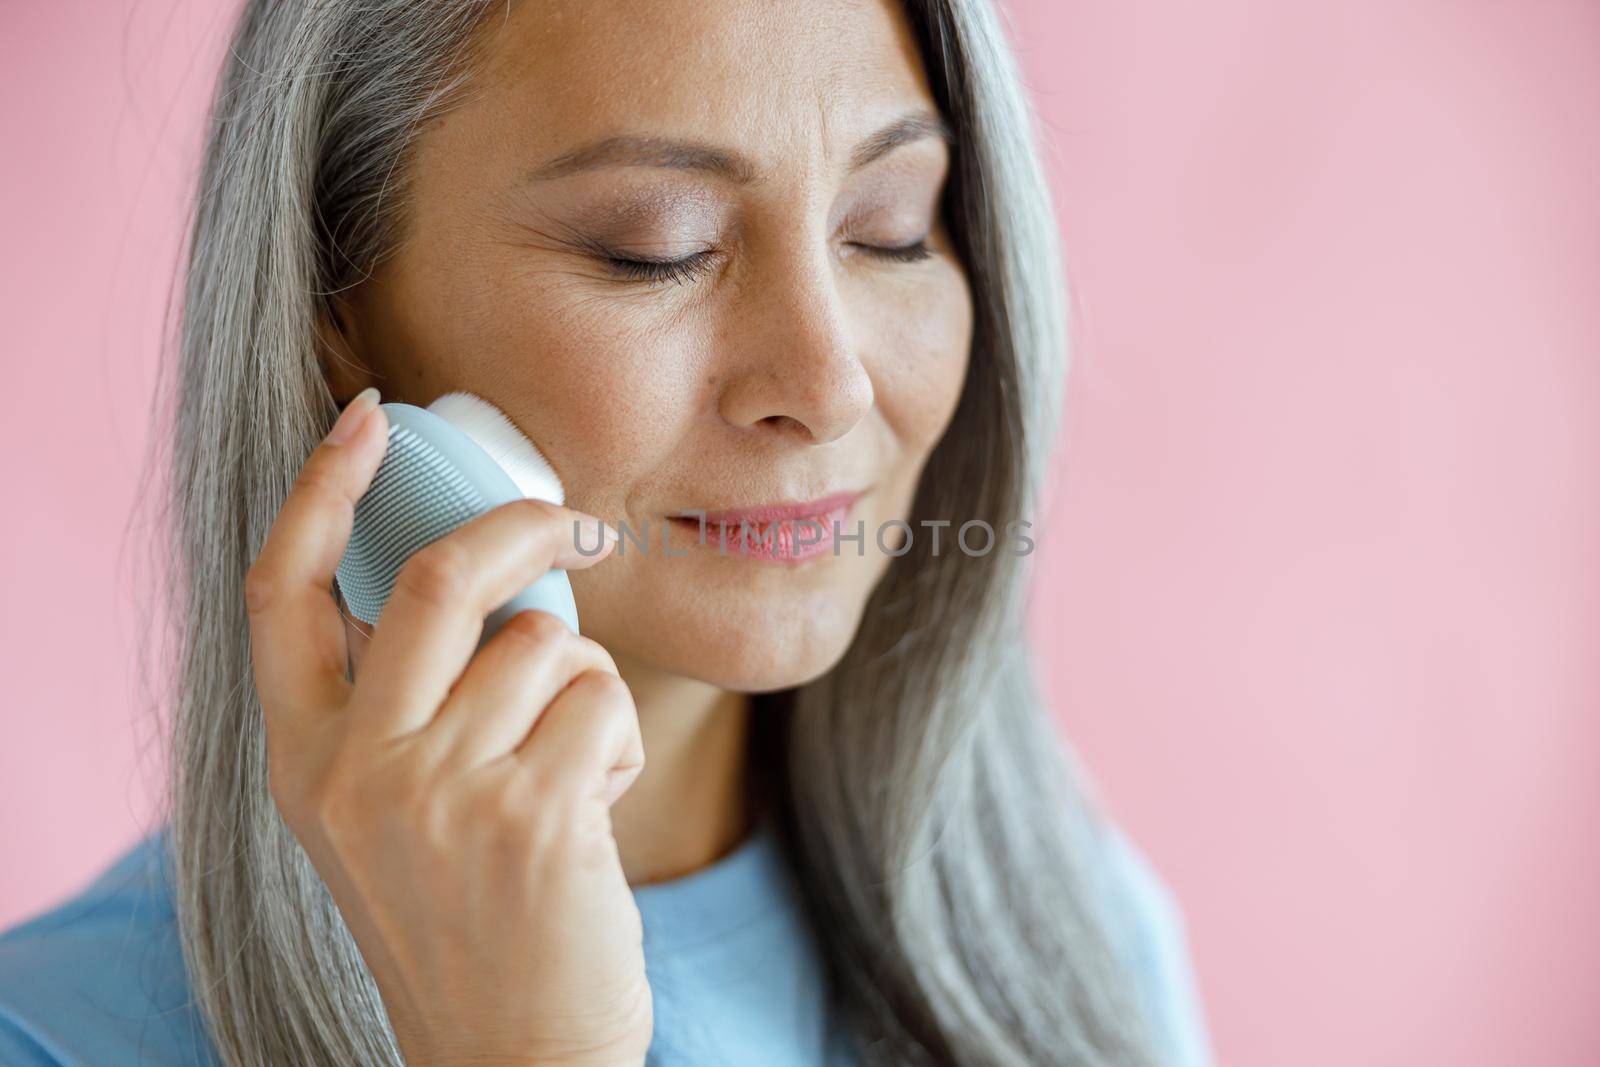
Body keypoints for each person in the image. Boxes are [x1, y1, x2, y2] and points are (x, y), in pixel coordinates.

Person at [0, 1, 1215, 1064]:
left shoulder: (1075, 934)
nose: (828, 381)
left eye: (889, 229)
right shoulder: (54, 1033)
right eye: (658, 249)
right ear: (336, 307)